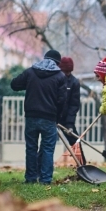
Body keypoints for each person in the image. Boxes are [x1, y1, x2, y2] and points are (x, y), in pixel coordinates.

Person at [10, 49, 68, 184]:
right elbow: (62, 101)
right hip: (49, 118)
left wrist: (29, 84)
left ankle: (30, 178)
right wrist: (57, 118)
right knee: (48, 149)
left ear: (45, 58)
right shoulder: (60, 76)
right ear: (57, 63)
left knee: (31, 147)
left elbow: (14, 84)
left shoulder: (31, 72)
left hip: (31, 116)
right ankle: (45, 179)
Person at [59, 57, 81, 145]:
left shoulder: (74, 82)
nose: (67, 74)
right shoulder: (54, 79)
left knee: (75, 142)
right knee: (47, 142)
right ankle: (41, 159)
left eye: (69, 72)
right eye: (65, 72)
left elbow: (74, 105)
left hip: (65, 119)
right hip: (52, 117)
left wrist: (70, 124)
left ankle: (80, 159)